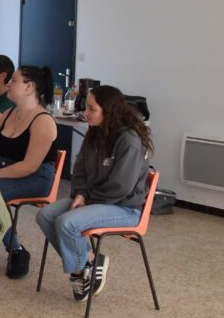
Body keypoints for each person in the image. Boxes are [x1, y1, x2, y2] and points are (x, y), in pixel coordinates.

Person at [36, 85, 153, 302]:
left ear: (109, 112)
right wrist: (80, 194)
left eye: (91, 109)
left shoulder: (128, 140)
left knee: (67, 223)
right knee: (46, 215)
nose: (85, 113)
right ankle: (88, 262)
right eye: (86, 107)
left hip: (125, 207)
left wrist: (87, 199)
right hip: (95, 199)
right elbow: (79, 168)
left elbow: (121, 186)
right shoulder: (95, 132)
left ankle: (80, 273)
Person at [0, 65, 58, 279]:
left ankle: (16, 250)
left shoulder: (43, 120)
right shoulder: (8, 113)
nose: (8, 84)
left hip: (35, 177)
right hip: (4, 168)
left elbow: (29, 166)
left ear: (29, 87)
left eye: (14, 80)